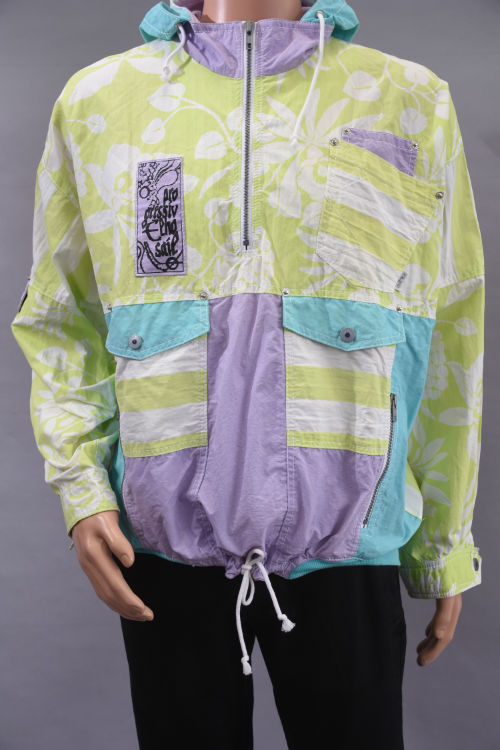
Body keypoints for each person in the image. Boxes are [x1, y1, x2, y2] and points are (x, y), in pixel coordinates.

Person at [11, 0, 485, 747]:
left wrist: (443, 544)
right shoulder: (101, 100)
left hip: (348, 547)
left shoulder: (408, 97)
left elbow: (447, 326)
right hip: (161, 550)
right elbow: (62, 320)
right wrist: (81, 489)